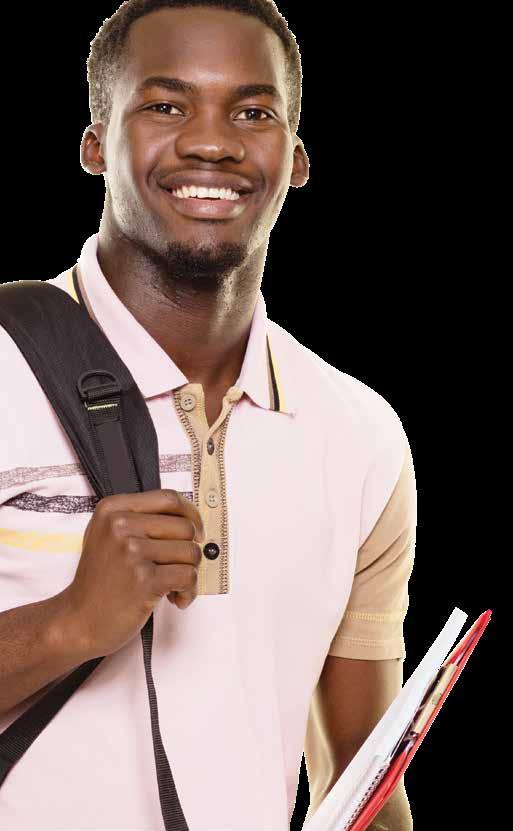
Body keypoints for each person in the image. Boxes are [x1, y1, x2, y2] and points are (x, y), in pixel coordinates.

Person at [0, 2, 416, 829]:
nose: (211, 143)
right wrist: (70, 624)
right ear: (95, 144)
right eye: (166, 105)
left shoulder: (360, 435)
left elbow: (362, 783)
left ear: (296, 158)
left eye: (253, 113)